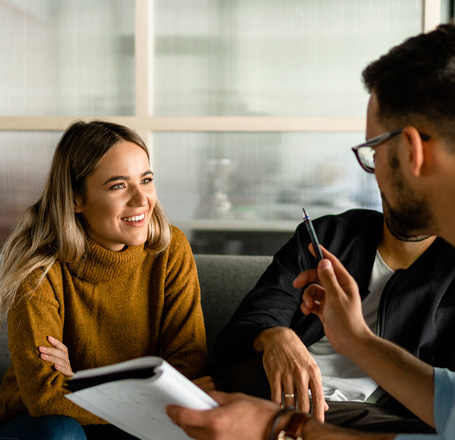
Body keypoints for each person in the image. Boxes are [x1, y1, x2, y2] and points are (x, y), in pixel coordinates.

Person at [166, 23, 455, 440]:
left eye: (374, 151)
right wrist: (354, 339)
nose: (372, 171)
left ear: (410, 151)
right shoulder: (329, 235)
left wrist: (280, 426)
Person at [0, 120, 207, 439]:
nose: (141, 200)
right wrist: (131, 398)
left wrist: (80, 379)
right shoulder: (38, 266)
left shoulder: (170, 248)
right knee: (61, 431)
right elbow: (45, 397)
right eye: (118, 185)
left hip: (129, 422)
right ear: (75, 199)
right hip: (41, 422)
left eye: (146, 180)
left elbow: (189, 368)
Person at [213, 206, 455, 433]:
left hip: (373, 414)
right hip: (280, 389)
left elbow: (445, 401)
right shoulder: (329, 234)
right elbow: (245, 326)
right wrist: (275, 335)